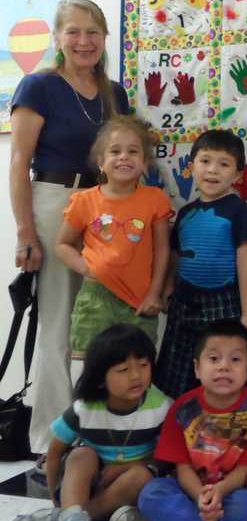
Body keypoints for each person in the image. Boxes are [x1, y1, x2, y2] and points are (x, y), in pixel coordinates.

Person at [9, 0, 130, 457]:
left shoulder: (114, 93)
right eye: (74, 32)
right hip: (55, 203)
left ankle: (99, 431)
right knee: (58, 324)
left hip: (107, 209)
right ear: (58, 39)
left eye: (93, 32)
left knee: (103, 324)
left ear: (104, 38)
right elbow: (19, 163)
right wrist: (24, 232)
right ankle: (50, 438)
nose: (84, 41)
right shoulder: (38, 86)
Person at [3, 325, 171, 521]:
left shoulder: (161, 407)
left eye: (144, 365)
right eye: (123, 370)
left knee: (141, 476)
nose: (136, 376)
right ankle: (69, 517)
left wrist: (127, 467)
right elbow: (53, 455)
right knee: (81, 455)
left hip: (128, 490)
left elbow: (165, 458)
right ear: (100, 379)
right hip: (87, 484)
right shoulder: (85, 410)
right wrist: (56, 500)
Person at [131, 320, 247, 521]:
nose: (224, 367)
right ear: (197, 368)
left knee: (246, 506)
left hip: (229, 493)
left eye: (235, 360)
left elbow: (245, 470)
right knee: (150, 493)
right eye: (214, 359)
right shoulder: (183, 408)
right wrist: (199, 496)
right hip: (187, 491)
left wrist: (219, 491)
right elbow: (182, 468)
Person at [55, 115, 172, 358]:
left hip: (139, 302)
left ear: (144, 162)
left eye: (133, 151)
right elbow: (62, 244)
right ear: (101, 162)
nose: (123, 157)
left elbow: (162, 250)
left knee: (137, 369)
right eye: (115, 151)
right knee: (95, 373)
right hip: (95, 300)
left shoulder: (155, 199)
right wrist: (86, 268)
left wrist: (155, 292)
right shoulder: (84, 201)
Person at [154, 129, 247, 398]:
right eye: (205, 161)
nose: (213, 170)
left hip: (225, 304)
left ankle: (228, 429)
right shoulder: (186, 213)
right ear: (191, 167)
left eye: (224, 164)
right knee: (176, 372)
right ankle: (174, 428)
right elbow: (175, 257)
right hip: (184, 302)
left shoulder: (239, 210)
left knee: (222, 370)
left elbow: (245, 263)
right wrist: (165, 289)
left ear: (237, 175)